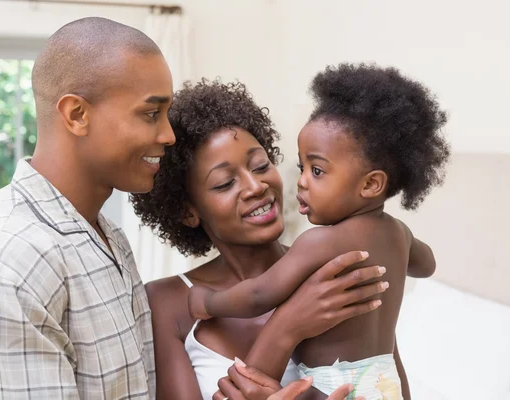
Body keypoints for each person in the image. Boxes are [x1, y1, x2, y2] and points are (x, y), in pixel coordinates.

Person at [0, 17, 175, 398]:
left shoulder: (104, 235)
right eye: (150, 114)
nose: (168, 135)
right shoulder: (8, 261)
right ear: (77, 115)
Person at [187, 64, 450, 399]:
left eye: (317, 170)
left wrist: (208, 301)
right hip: (387, 383)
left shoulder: (318, 242)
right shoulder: (399, 233)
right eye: (301, 167)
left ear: (370, 184)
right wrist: (400, 250)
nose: (301, 181)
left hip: (331, 385)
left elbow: (258, 295)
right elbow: (427, 266)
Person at [131, 79, 396, 400]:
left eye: (260, 165)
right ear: (188, 212)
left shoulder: (335, 268)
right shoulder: (167, 302)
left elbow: (387, 382)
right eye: (225, 183)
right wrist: (287, 327)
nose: (256, 186)